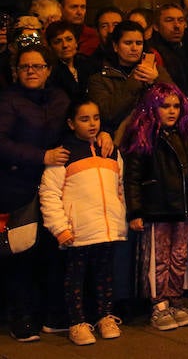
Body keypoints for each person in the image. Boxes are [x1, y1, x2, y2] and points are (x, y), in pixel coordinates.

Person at [121, 82, 188, 332]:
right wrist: (136, 211)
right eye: (164, 106)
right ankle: (159, 303)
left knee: (179, 256)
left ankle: (175, 298)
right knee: (159, 259)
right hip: (157, 208)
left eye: (175, 106)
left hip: (183, 208)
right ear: (152, 108)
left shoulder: (186, 137)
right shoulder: (144, 138)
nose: (172, 111)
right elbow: (132, 178)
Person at [0, 39, 73, 341]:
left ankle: (52, 314)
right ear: (16, 71)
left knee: (53, 252)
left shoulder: (60, 98)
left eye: (37, 65)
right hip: (19, 187)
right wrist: (40, 156)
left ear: (48, 69)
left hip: (54, 188)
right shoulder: (7, 100)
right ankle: (21, 318)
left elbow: (75, 125)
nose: (31, 70)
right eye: (25, 66)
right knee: (21, 254)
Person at [38, 98, 126, 345]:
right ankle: (77, 322)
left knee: (105, 274)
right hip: (78, 230)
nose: (92, 124)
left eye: (96, 118)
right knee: (75, 277)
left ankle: (105, 316)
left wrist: (120, 218)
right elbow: (49, 193)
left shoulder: (111, 150)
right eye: (84, 119)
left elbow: (120, 188)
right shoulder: (64, 153)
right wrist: (60, 228)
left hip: (106, 227)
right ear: (71, 122)